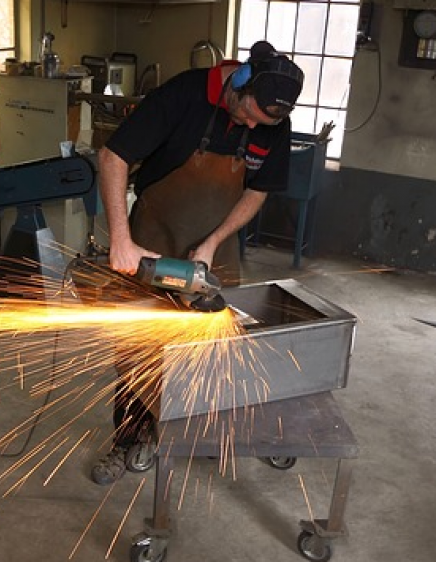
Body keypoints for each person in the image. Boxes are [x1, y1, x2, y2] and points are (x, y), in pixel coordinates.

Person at [90, 41, 306, 485]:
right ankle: (130, 439)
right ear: (239, 82)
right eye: (248, 114)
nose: (249, 125)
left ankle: (205, 431)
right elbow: (113, 157)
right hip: (152, 237)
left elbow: (257, 189)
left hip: (216, 247)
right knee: (138, 347)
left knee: (217, 344)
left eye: (261, 124)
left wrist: (213, 242)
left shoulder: (273, 123)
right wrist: (122, 240)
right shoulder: (185, 94)